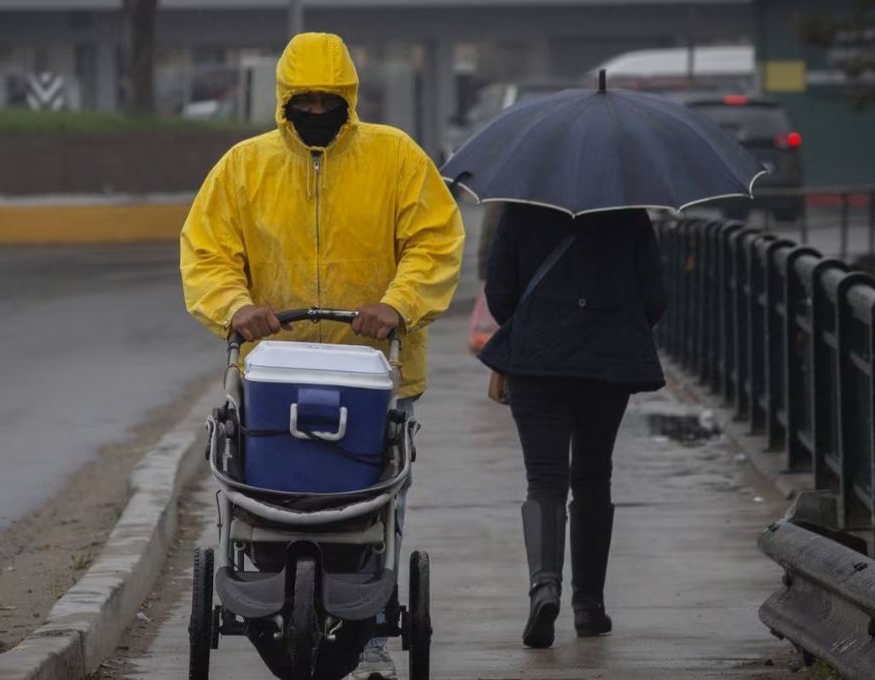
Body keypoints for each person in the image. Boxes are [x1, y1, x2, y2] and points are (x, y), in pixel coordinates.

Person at [179, 32, 465, 678]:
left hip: (373, 375)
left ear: (348, 99)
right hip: (274, 378)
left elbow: (435, 241)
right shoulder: (244, 169)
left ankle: (370, 636)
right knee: (267, 501)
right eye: (302, 102)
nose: (315, 112)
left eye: (326, 101)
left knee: (374, 508)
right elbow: (207, 252)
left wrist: (396, 304)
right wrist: (235, 306)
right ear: (283, 102)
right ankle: (272, 581)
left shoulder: (395, 160)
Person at [481, 203, 666, 649]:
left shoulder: (522, 210)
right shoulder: (628, 212)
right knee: (593, 477)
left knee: (544, 480)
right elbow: (655, 298)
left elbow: (500, 295)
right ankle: (589, 606)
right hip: (607, 362)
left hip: (538, 360)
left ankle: (545, 587)